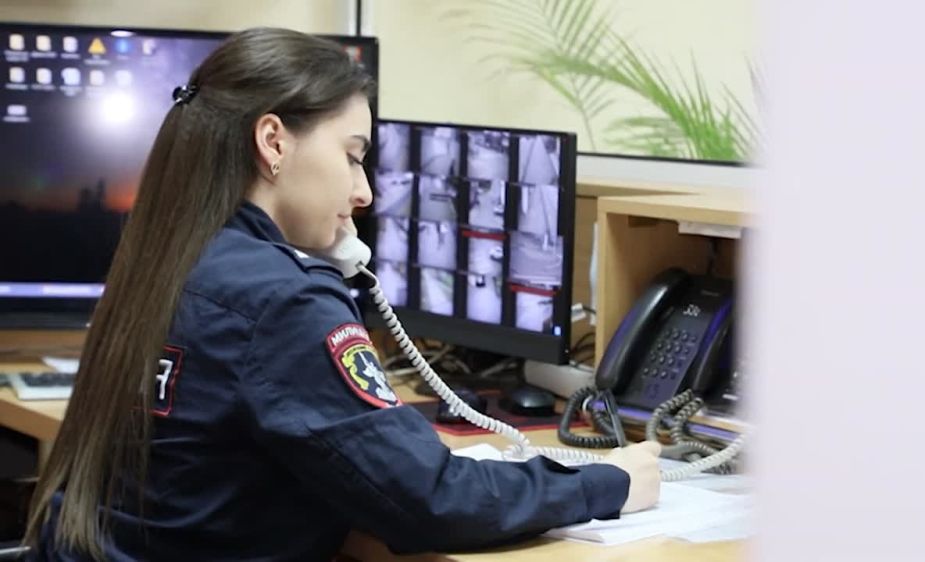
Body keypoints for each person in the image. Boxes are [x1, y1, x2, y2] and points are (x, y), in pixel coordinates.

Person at [24, 28, 662, 561]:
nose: (364, 192)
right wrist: (603, 483)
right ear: (274, 142)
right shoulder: (284, 300)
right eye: (353, 156)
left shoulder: (170, 256)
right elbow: (430, 501)